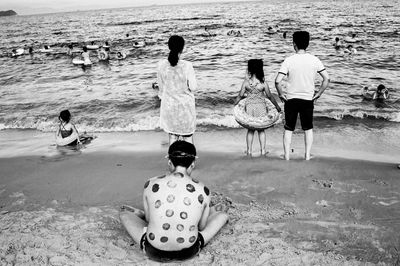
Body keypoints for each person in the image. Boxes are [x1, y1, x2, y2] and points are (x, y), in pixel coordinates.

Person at [120, 140, 229, 262]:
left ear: (169, 162)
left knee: (124, 215)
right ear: (192, 164)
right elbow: (202, 227)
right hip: (189, 251)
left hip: (153, 250)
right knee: (223, 216)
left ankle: (139, 213)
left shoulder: (150, 184)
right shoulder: (204, 190)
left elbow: (149, 221)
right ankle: (212, 211)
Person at [275, 31, 330, 160]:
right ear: (308, 44)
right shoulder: (314, 60)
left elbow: (277, 81)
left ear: (294, 44)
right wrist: (318, 94)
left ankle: (287, 156)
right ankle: (307, 156)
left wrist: (281, 94)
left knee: (289, 129)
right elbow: (326, 79)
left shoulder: (289, 60)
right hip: (307, 99)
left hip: (291, 99)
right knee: (308, 128)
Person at [234, 59, 281, 156]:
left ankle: (249, 151)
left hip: (249, 107)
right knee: (261, 129)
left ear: (250, 69)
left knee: (250, 129)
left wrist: (235, 104)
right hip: (261, 107)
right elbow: (269, 96)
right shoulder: (263, 83)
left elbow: (240, 95)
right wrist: (277, 106)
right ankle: (263, 151)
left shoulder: (246, 83)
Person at [157, 35, 197, 145]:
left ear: (169, 47)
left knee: (172, 138)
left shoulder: (161, 65)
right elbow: (193, 87)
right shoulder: (188, 65)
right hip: (185, 108)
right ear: (182, 48)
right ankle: (190, 162)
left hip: (169, 107)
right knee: (188, 138)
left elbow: (161, 90)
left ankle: (172, 161)